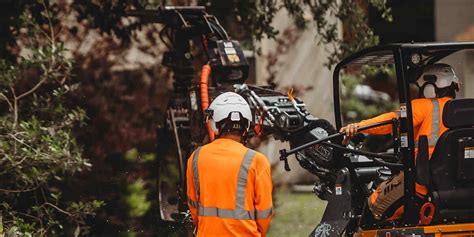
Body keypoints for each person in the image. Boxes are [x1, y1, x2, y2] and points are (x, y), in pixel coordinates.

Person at [340, 63, 460, 221]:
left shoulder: (425, 106)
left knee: (371, 209)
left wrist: (359, 127)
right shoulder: (465, 110)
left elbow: (391, 121)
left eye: (422, 86)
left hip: (421, 187)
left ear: (430, 86)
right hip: (459, 188)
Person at [186, 92, 273, 236]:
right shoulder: (257, 161)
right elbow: (264, 213)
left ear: (214, 123)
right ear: (246, 126)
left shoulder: (196, 157)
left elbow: (193, 206)